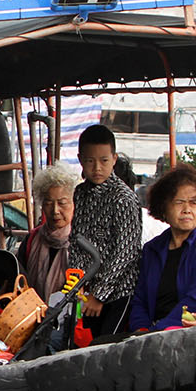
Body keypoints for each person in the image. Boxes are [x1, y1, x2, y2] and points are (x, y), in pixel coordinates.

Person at [129, 165, 196, 332]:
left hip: (187, 333)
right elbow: (140, 299)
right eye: (179, 202)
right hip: (149, 335)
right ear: (164, 208)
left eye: (193, 203)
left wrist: (155, 334)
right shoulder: (152, 249)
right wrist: (141, 330)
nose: (187, 209)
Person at [66, 125, 142, 337]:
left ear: (114, 159)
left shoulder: (123, 198)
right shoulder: (80, 194)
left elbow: (126, 252)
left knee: (105, 349)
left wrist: (99, 295)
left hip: (118, 292)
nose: (97, 168)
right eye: (90, 161)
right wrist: (76, 284)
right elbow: (76, 241)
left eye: (104, 161)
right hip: (86, 292)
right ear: (80, 160)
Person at [19, 163, 78, 300]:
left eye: (62, 203)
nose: (55, 210)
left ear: (74, 203)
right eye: (48, 203)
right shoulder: (32, 240)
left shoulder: (83, 242)